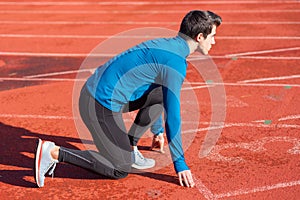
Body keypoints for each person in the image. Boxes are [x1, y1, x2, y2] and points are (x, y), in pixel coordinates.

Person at [34, 10, 222, 188]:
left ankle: (130, 147)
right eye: (212, 36)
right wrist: (180, 163)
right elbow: (173, 116)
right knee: (120, 168)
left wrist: (157, 131)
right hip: (97, 104)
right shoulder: (175, 62)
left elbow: (159, 94)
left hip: (99, 92)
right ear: (199, 37)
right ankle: (54, 153)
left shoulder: (168, 44)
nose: (214, 41)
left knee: (159, 93)